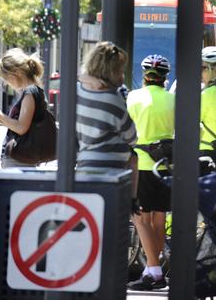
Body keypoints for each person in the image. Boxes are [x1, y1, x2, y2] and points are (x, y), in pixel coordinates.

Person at [126, 54, 175, 291]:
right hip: (165, 165)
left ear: (144, 76)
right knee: (158, 219)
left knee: (139, 218)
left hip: (142, 164)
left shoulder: (133, 97)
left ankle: (154, 270)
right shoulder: (173, 99)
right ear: (165, 77)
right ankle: (151, 270)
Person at [76, 42, 137, 170]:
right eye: (121, 70)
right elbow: (132, 137)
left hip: (83, 161)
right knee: (134, 158)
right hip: (112, 167)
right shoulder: (112, 99)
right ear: (113, 72)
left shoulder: (77, 90)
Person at [0, 49, 46, 168]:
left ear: (17, 72)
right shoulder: (34, 91)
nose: (7, 83)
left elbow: (22, 128)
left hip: (18, 159)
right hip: (22, 158)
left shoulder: (30, 92)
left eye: (7, 78)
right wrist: (2, 120)